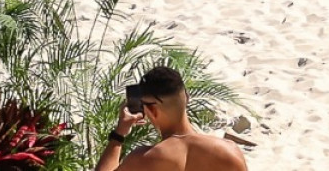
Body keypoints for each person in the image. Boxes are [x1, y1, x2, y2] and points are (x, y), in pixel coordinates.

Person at [96, 65, 246, 171]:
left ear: (153, 110)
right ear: (187, 97)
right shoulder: (229, 152)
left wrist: (119, 135)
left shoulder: (142, 159)